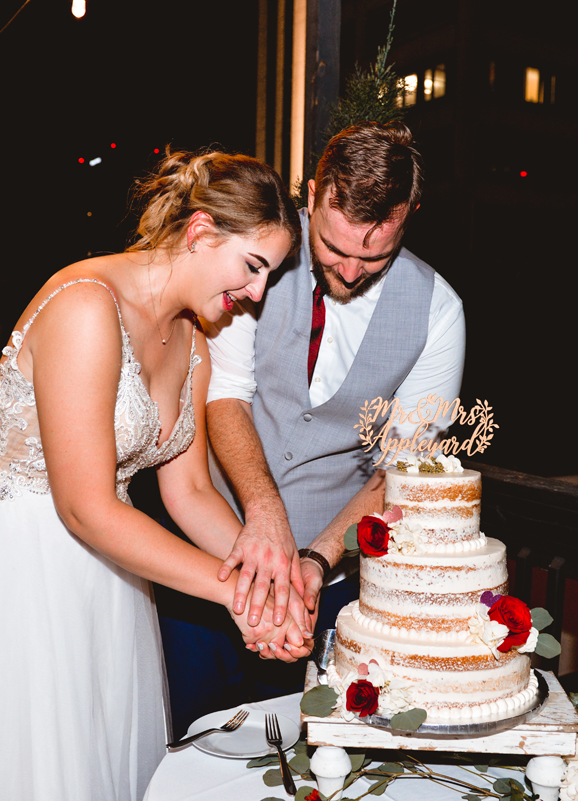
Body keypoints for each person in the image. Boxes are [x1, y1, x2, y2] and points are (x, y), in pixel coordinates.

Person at [0, 149, 310, 801]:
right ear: (200, 232)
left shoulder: (194, 341)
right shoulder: (86, 305)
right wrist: (233, 596)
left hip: (105, 576)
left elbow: (189, 491)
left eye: (269, 276)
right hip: (10, 565)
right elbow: (83, 506)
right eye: (253, 267)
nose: (257, 293)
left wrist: (266, 584)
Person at [158, 121, 466, 734]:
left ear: (409, 216)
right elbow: (226, 392)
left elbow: (400, 469)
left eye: (374, 255)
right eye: (333, 247)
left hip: (333, 585)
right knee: (190, 739)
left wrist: (317, 561)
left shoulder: (439, 311)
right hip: (208, 551)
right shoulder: (255, 257)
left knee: (312, 753)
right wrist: (264, 516)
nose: (350, 271)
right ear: (313, 193)